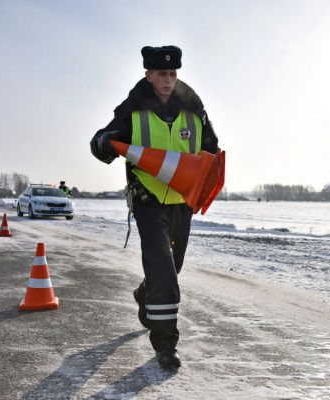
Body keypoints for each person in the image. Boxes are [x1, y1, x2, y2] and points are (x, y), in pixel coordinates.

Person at [90, 45, 219, 369]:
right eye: (162, 74)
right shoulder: (133, 110)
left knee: (171, 268)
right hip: (148, 200)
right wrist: (104, 144)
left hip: (182, 203)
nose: (168, 79)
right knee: (163, 270)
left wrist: (208, 177)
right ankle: (165, 346)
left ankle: (145, 293)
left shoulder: (194, 111)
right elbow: (102, 140)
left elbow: (211, 150)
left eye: (173, 73)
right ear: (148, 75)